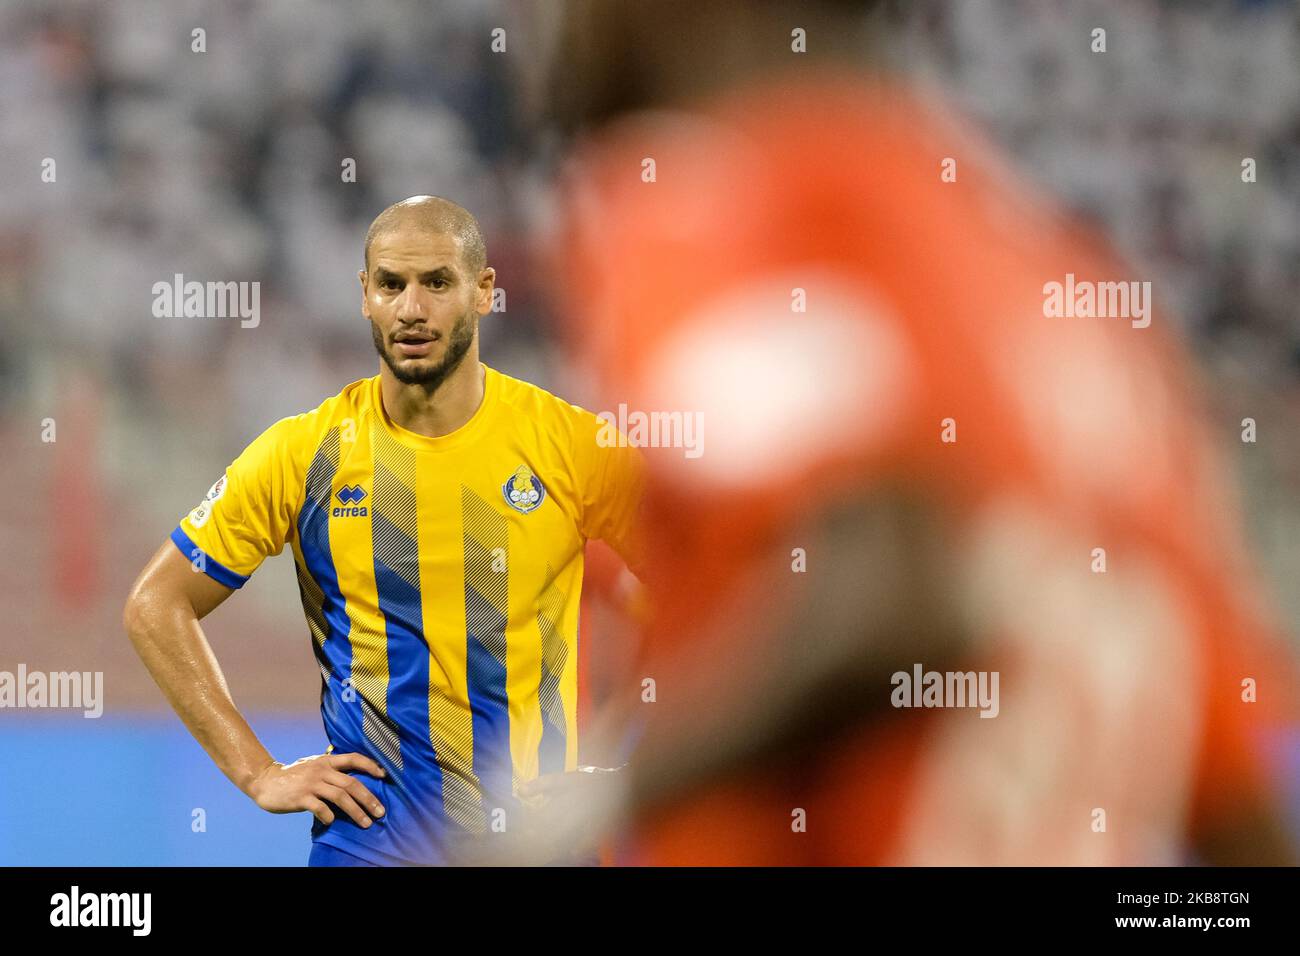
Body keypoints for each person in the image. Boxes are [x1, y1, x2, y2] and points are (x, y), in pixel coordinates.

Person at [530, 0, 1300, 865]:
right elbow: (1241, 807)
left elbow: (895, 584)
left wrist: (590, 802)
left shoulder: (715, 203)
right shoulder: (1063, 285)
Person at [122, 195, 643, 866]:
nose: (412, 309)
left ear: (484, 291)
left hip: (536, 847)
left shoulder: (571, 446)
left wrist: (622, 753)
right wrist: (257, 771)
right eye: (391, 284)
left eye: (437, 283)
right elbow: (154, 605)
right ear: (364, 295)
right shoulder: (304, 455)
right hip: (370, 848)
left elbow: (709, 589)